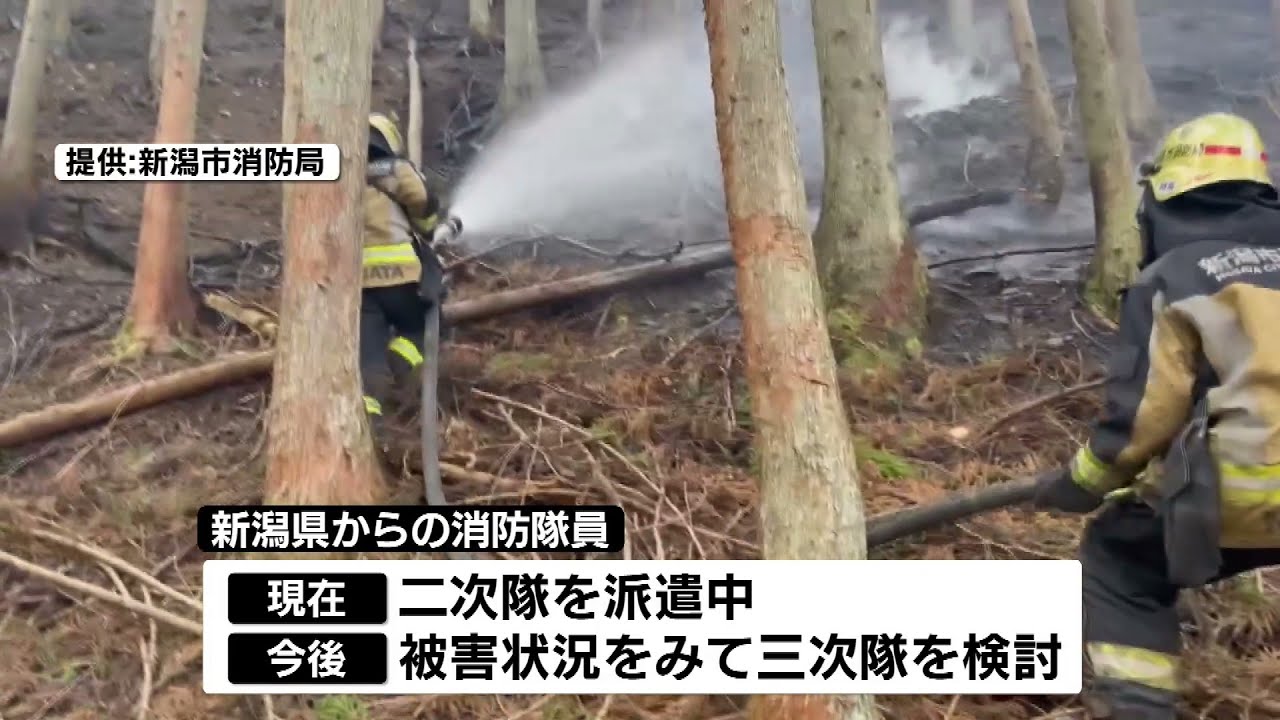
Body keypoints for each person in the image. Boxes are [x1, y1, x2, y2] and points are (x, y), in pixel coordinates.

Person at [1033, 112, 1280, 720]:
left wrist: (1082, 483)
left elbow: (1144, 420)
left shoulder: (1171, 279)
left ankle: (1138, 706)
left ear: (1166, 198)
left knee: (1121, 561)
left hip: (1246, 495)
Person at [360, 112, 446, 432]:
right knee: (426, 325)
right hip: (400, 278)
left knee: (368, 353)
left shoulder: (335, 171)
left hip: (358, 285)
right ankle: (400, 363)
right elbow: (422, 203)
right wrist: (430, 226)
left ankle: (369, 417)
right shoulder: (394, 169)